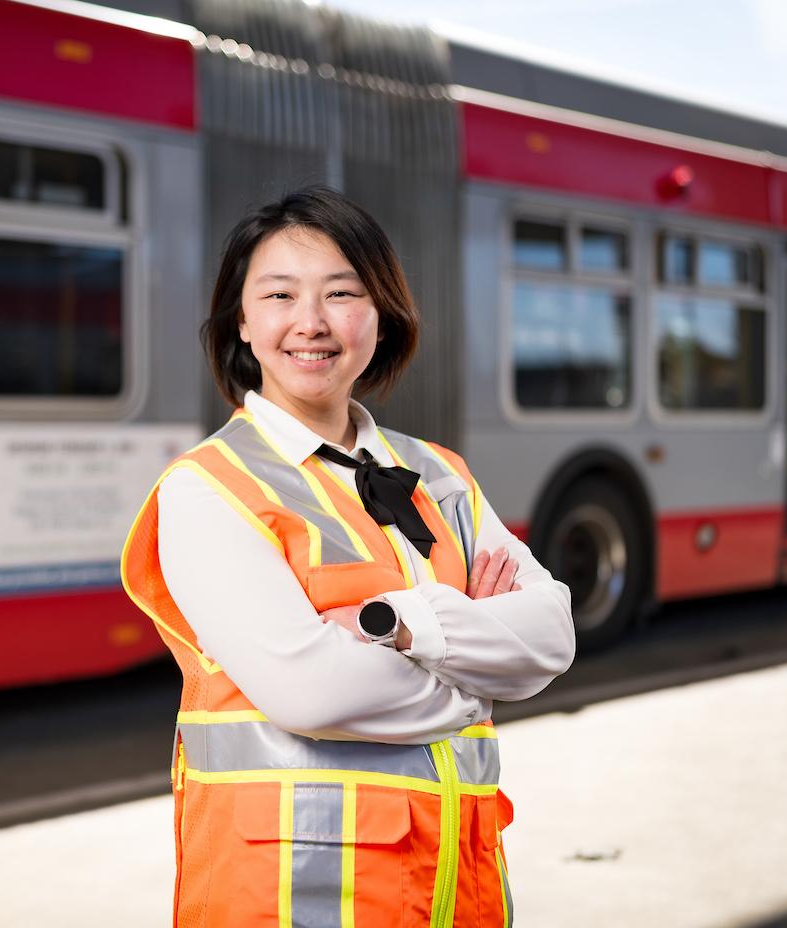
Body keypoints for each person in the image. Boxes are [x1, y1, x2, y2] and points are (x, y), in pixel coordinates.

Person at [121, 186, 574, 927]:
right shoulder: (208, 491)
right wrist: (479, 679)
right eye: (279, 295)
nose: (312, 323)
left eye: (342, 292)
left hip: (455, 894)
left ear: (381, 313)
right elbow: (312, 693)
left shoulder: (439, 474)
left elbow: (552, 635)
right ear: (242, 319)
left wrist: (403, 626)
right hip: (285, 900)